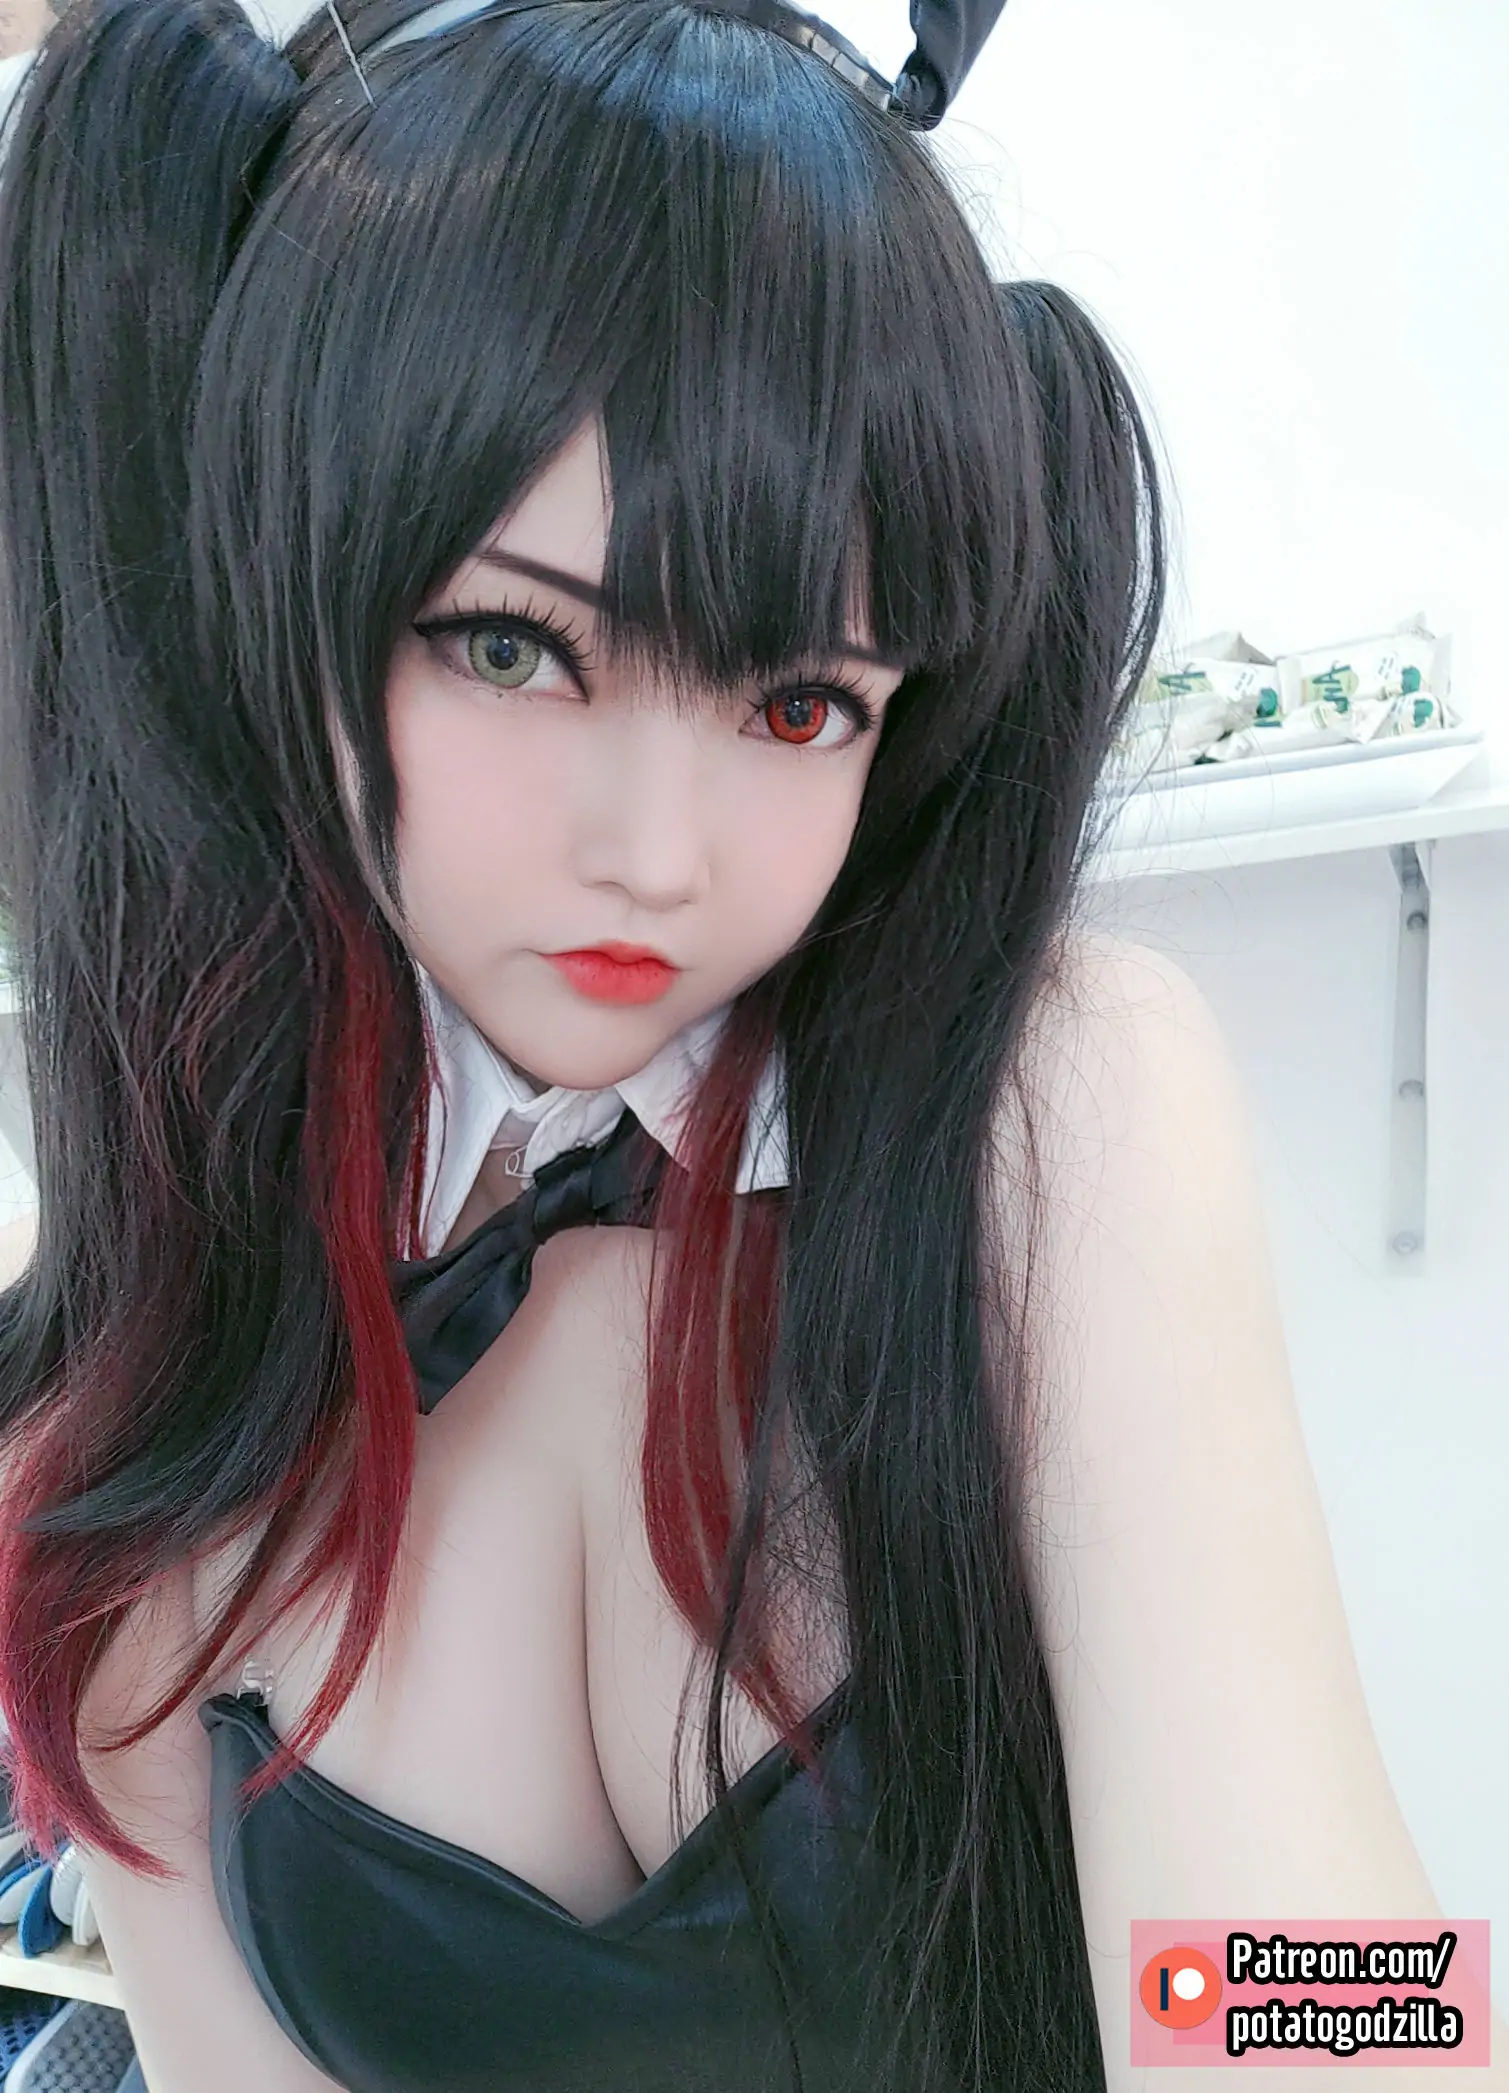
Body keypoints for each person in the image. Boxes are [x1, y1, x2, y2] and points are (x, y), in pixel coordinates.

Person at [0, 2, 1494, 2090]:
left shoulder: (1053, 1101)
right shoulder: (159, 1362)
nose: (662, 851)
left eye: (798, 703)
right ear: (272, 594)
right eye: (513, 645)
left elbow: (1315, 1984)